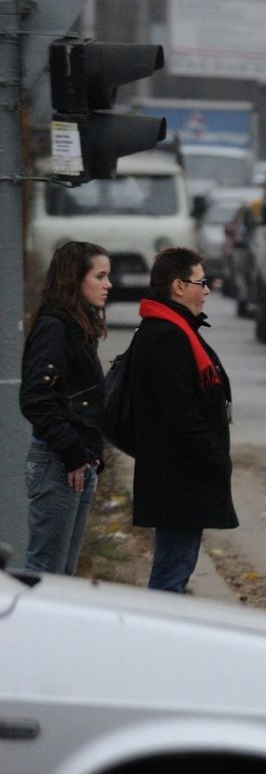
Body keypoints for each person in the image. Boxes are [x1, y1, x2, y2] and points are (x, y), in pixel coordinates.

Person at [125, 248, 237, 593]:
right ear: (178, 286)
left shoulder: (174, 329)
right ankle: (155, 644)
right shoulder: (166, 335)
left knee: (176, 568)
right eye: (201, 282)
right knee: (171, 575)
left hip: (180, 476)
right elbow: (180, 412)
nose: (206, 290)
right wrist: (214, 456)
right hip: (177, 478)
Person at [18, 241, 111, 574]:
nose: (108, 285)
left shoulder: (77, 327)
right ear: (75, 279)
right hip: (58, 460)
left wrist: (89, 453)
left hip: (76, 460)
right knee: (46, 574)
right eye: (100, 276)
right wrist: (72, 450)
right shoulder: (54, 327)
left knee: (62, 576)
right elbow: (36, 396)